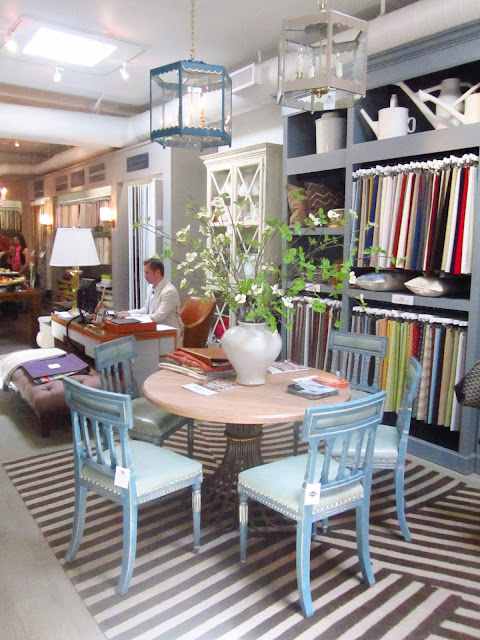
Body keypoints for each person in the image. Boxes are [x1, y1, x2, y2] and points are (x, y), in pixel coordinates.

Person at [116, 258, 184, 337]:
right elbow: (146, 310)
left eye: (147, 273)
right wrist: (129, 313)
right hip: (154, 331)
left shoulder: (169, 291)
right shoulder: (150, 287)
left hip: (170, 334)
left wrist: (131, 317)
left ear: (157, 272)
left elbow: (158, 317)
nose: (144, 276)